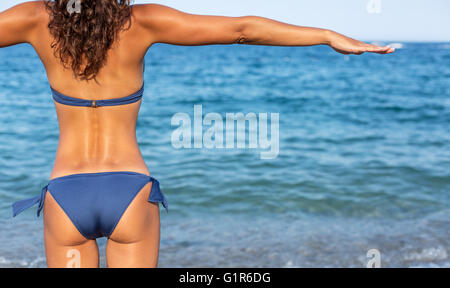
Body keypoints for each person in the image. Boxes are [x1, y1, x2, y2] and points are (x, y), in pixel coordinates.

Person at [0, 0, 394, 268]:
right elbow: (241, 29)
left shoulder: (35, 19)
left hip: (66, 193)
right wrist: (327, 35)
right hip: (129, 195)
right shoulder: (140, 21)